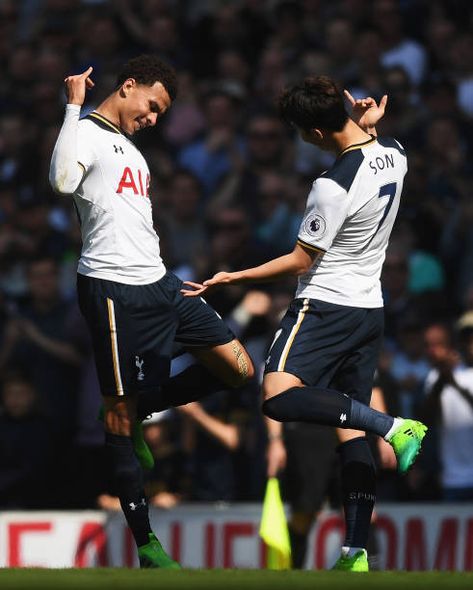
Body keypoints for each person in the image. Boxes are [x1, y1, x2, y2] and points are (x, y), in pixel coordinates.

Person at [182, 76, 427, 572]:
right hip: (369, 307)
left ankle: (395, 426)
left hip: (325, 305)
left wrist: (235, 275)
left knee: (276, 396)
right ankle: (356, 551)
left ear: (312, 133)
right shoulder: (396, 152)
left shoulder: (330, 185)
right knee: (346, 427)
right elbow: (372, 149)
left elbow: (300, 259)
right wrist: (368, 129)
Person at [49, 55, 255, 569]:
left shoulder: (134, 151)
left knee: (237, 367)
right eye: (153, 106)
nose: (154, 118)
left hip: (159, 284)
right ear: (128, 86)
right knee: (117, 415)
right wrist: (73, 106)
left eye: (162, 112)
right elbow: (60, 182)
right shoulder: (86, 132)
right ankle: (146, 546)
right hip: (112, 288)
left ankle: (141, 408)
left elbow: (135, 220)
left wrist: (163, 273)